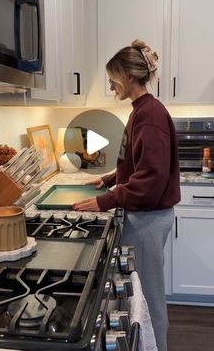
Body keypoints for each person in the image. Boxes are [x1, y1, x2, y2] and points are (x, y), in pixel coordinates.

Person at [73, 39, 181, 351]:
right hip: (146, 216)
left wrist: (104, 201)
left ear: (129, 78)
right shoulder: (142, 110)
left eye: (112, 79)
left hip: (148, 219)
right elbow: (138, 164)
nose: (111, 86)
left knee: (148, 298)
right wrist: (110, 179)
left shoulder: (150, 115)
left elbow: (150, 180)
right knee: (143, 295)